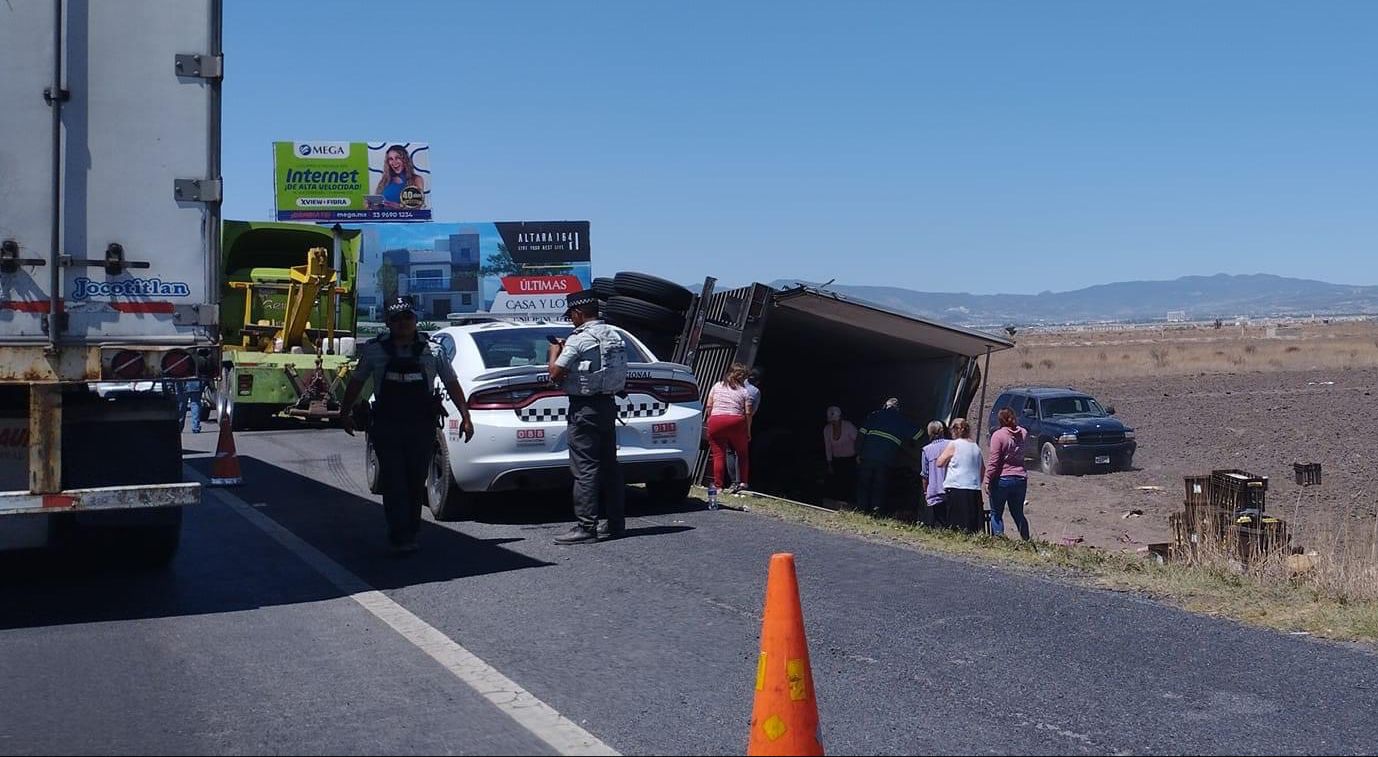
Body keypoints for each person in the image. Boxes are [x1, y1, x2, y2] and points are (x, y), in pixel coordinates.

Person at [341, 297, 474, 554]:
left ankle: (411, 530)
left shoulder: (433, 350)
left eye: (408, 317)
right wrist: (344, 412)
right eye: (396, 319)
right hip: (387, 427)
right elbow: (356, 383)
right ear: (388, 322)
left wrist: (466, 416)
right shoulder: (374, 351)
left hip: (421, 427)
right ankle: (399, 535)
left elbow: (451, 383)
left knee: (415, 480)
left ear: (416, 319)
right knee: (393, 481)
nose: (403, 323)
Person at [548, 289, 629, 544]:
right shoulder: (614, 334)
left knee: (585, 468)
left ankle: (586, 527)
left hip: (584, 409)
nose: (571, 320)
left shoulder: (579, 339)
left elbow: (555, 373)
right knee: (609, 467)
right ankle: (615, 523)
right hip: (607, 404)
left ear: (578, 313)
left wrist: (554, 350)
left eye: (571, 315)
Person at [856, 397, 923, 514]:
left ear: (885, 405)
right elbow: (919, 435)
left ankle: (861, 509)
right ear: (897, 409)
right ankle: (875, 511)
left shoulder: (874, 415)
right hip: (886, 459)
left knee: (864, 484)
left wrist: (858, 452)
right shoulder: (902, 420)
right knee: (879, 486)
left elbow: (861, 435)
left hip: (868, 455)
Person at [704, 363, 754, 496]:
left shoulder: (717, 385)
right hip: (736, 421)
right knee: (742, 453)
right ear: (742, 378)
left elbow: (709, 406)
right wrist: (748, 431)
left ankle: (719, 486)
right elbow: (748, 412)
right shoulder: (744, 392)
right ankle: (743, 482)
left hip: (716, 420)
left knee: (718, 455)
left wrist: (711, 420)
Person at [986, 408, 1031, 540]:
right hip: (1020, 478)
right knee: (1018, 513)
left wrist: (987, 479)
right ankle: (1026, 540)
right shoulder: (1023, 433)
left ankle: (1000, 540)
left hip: (1002, 478)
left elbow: (994, 461)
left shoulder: (998, 436)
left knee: (996, 513)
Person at [935, 417, 984, 533]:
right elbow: (983, 469)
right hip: (973, 488)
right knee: (970, 523)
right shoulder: (976, 447)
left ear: (954, 430)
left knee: (955, 521)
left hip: (956, 486)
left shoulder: (954, 444)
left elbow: (939, 462)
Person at [822, 406, 858, 502]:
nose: (834, 422)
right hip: (836, 460)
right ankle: (835, 504)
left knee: (848, 483)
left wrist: (859, 456)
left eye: (836, 420)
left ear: (840, 417)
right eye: (832, 421)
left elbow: (858, 441)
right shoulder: (827, 429)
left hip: (850, 459)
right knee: (836, 484)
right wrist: (829, 463)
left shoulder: (848, 426)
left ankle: (847, 504)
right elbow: (828, 447)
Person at [919, 420, 949, 527]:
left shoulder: (926, 450)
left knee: (939, 521)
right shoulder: (951, 445)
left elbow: (924, 474)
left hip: (935, 490)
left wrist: (926, 491)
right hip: (951, 489)